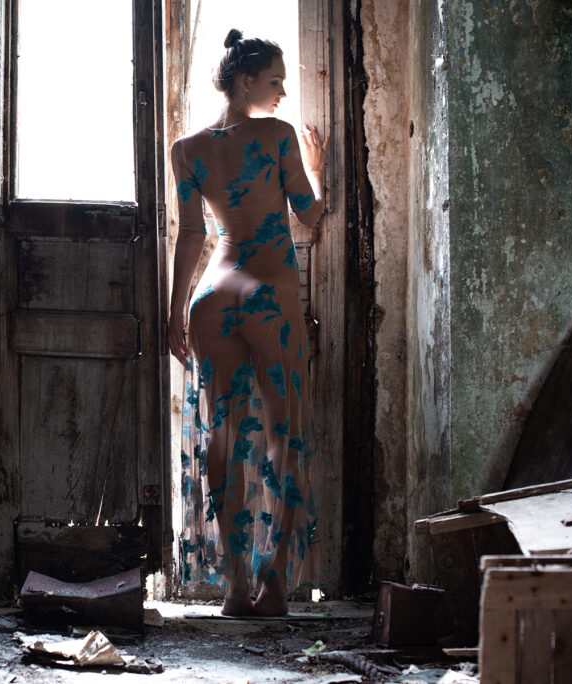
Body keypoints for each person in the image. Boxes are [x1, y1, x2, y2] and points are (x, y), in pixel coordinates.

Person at [169, 28, 328, 616]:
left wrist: (173, 311)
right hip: (268, 293)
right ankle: (275, 583)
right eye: (275, 81)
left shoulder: (187, 149)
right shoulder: (278, 136)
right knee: (285, 435)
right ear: (245, 81)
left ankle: (235, 587)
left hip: (212, 295)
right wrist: (317, 168)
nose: (283, 93)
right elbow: (310, 214)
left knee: (222, 434)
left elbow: (192, 234)